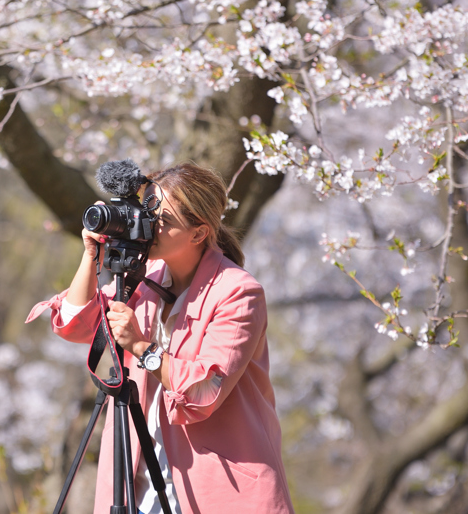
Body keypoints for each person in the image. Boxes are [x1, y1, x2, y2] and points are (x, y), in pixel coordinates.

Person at [28, 162, 294, 514]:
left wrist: (141, 347)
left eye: (162, 220)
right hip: (137, 487)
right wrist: (91, 257)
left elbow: (204, 392)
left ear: (199, 234)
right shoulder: (146, 276)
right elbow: (76, 325)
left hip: (218, 488)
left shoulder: (238, 293)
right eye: (147, 209)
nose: (149, 225)